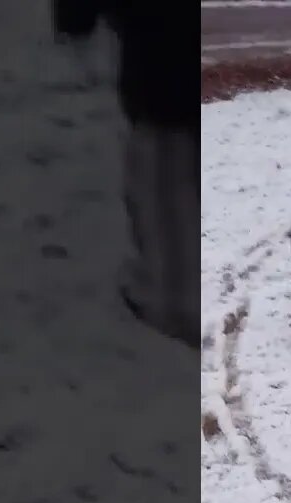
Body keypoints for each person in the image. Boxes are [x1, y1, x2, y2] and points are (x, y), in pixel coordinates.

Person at [51, 1, 196, 347]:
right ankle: (179, 293)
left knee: (163, 189)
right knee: (179, 178)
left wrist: (75, 21)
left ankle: (173, 301)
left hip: (160, 68)